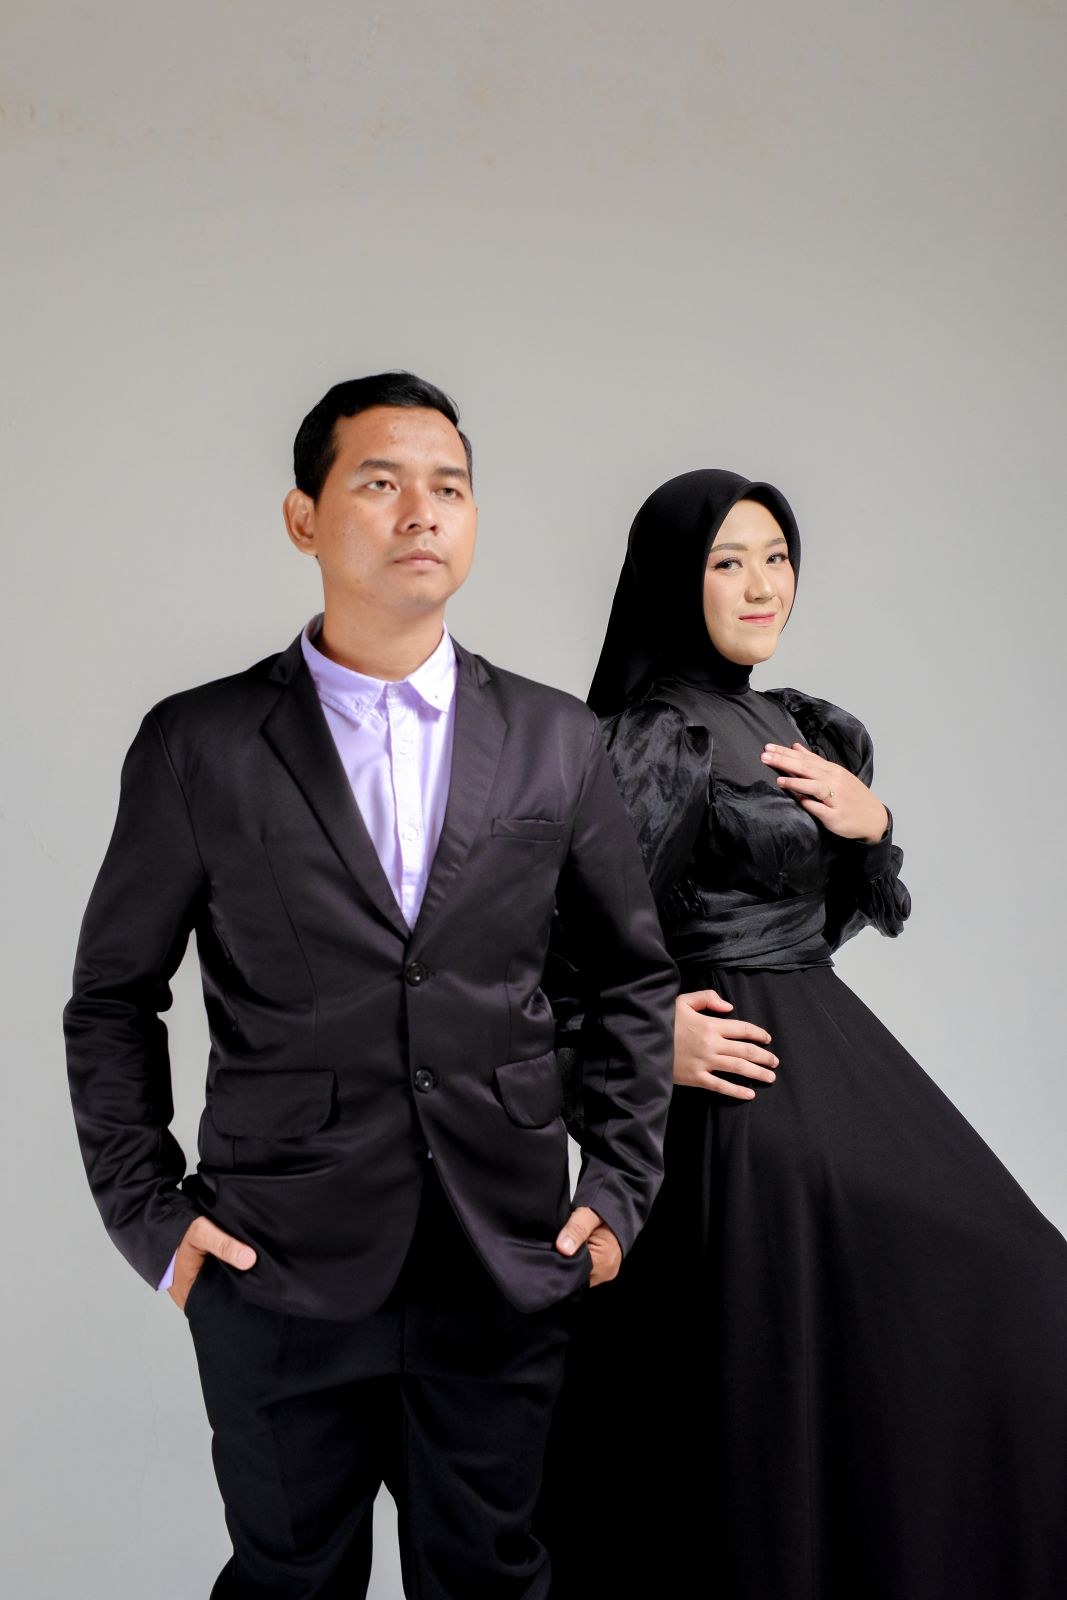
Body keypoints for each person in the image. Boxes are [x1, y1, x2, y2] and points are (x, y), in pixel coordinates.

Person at [63, 372, 678, 1600]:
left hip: (503, 1257)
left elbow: (628, 979)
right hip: (274, 1264)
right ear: (305, 518)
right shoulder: (199, 744)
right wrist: (152, 1219)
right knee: (288, 1582)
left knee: (493, 1578)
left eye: (448, 487)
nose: (420, 512)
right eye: (381, 482)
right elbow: (112, 998)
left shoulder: (556, 739)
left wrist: (616, 1191)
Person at [541, 469, 1067, 1600]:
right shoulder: (656, 736)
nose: (760, 584)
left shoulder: (803, 725)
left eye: (776, 557)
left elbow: (814, 921)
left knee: (1006, 1291)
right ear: (673, 580)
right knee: (770, 1391)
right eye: (727, 561)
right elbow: (553, 950)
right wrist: (642, 1043)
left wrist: (871, 828)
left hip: (819, 1045)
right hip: (732, 1110)